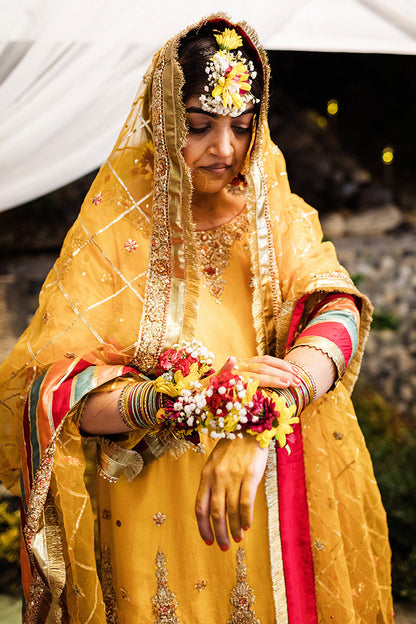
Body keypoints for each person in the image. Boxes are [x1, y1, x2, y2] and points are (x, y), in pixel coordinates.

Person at [0, 14, 393, 624]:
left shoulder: (273, 214)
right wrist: (176, 404)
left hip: (259, 499)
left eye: (241, 127)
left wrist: (265, 414)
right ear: (160, 120)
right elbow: (56, 389)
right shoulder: (116, 226)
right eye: (199, 127)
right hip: (143, 512)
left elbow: (336, 313)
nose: (225, 149)